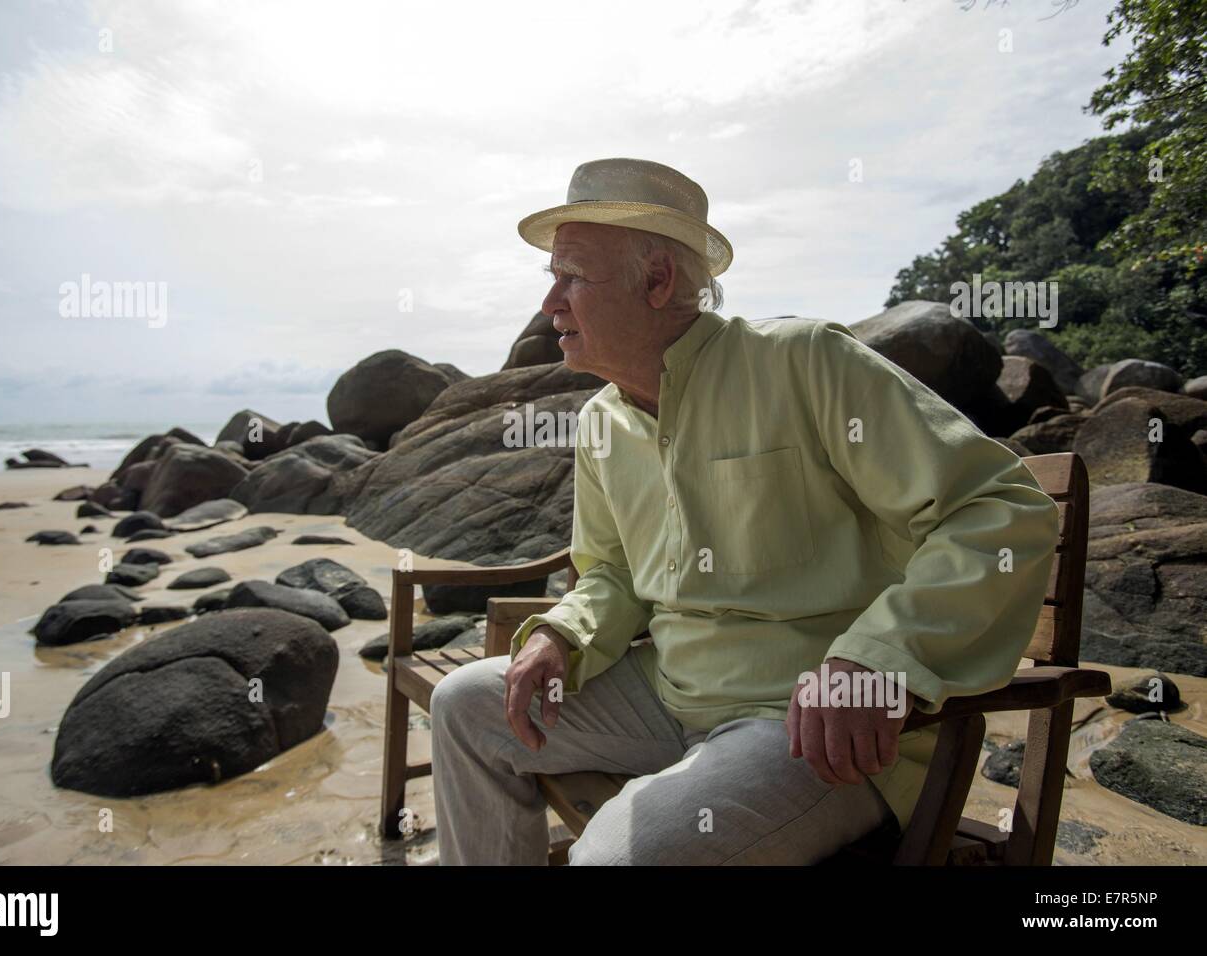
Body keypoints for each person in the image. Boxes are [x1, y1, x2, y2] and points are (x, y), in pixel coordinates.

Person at [429, 157, 1059, 865]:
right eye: (553, 277)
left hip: (808, 721)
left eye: (571, 275)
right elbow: (610, 574)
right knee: (464, 706)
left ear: (658, 280)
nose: (551, 303)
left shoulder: (803, 361)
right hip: (669, 693)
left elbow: (1000, 508)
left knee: (614, 858)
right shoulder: (603, 423)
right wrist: (562, 635)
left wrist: (878, 659)